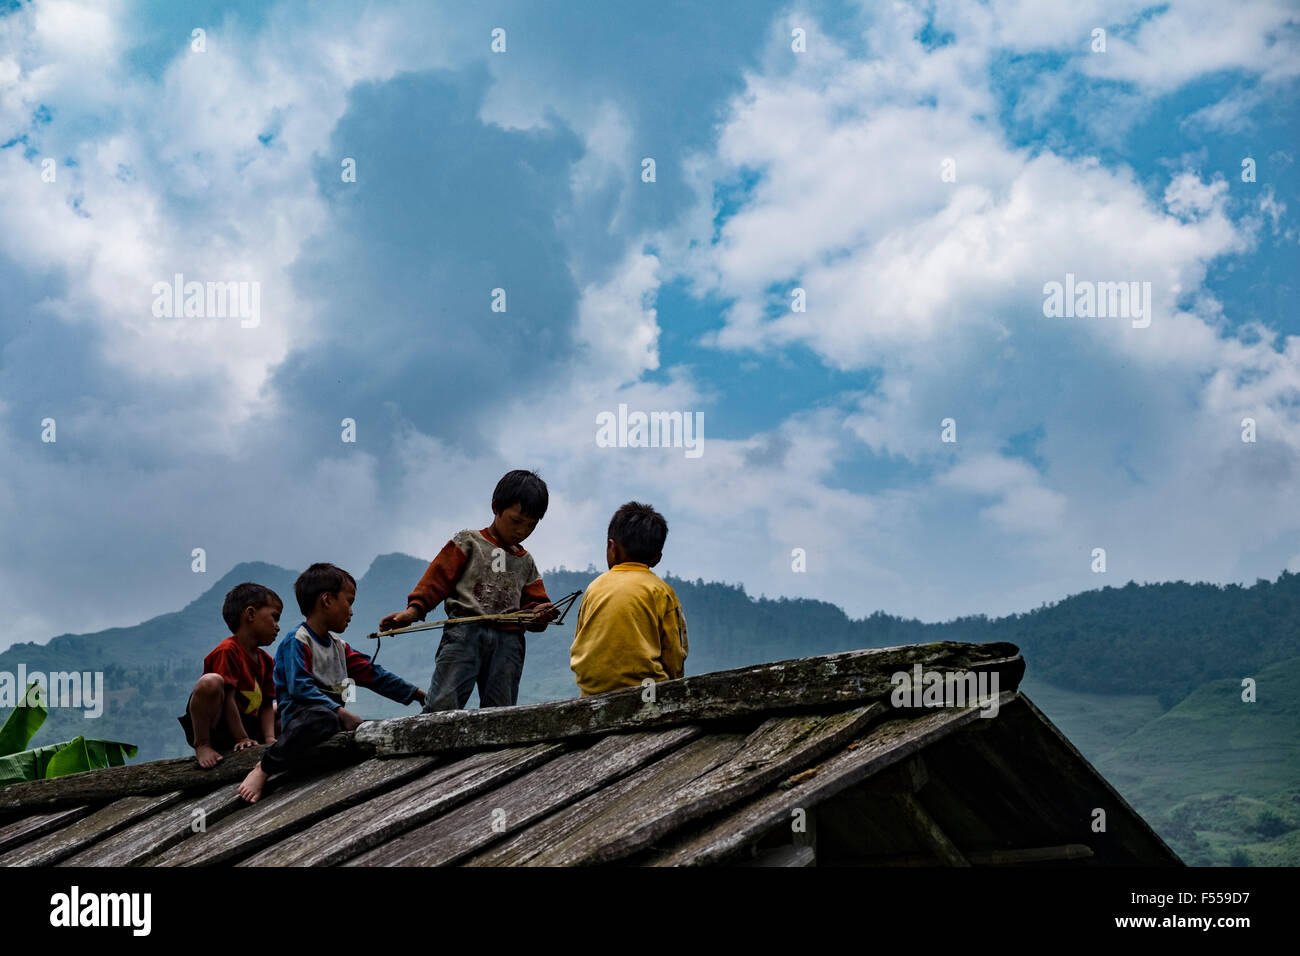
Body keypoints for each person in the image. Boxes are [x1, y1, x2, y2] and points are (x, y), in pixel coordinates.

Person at [238, 563, 425, 803]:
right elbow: (299, 687)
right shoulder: (298, 640)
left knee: (375, 728)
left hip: (333, 720)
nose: (351, 612)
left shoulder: (339, 646)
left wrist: (416, 694)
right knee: (321, 718)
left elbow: (373, 674)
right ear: (326, 600)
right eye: (349, 602)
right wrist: (339, 711)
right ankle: (263, 768)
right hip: (304, 718)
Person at [378, 469, 558, 711]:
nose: (521, 531)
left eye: (530, 525)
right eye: (516, 521)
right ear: (496, 507)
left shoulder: (526, 562)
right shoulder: (469, 541)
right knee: (442, 703)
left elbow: (534, 608)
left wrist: (540, 614)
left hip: (509, 641)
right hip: (465, 631)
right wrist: (411, 613)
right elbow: (437, 579)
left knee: (501, 710)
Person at [570, 501, 688, 696]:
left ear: (612, 547)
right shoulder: (661, 591)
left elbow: (581, 638)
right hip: (646, 692)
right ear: (656, 558)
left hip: (592, 691)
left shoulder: (595, 587)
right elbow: (674, 654)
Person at [179, 582, 281, 769]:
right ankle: (202, 744)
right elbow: (228, 700)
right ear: (250, 614)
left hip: (249, 724)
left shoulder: (266, 660)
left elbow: (266, 703)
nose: (277, 627)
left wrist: (269, 738)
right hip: (219, 726)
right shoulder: (228, 651)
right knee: (210, 682)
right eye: (274, 618)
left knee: (284, 707)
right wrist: (241, 737)